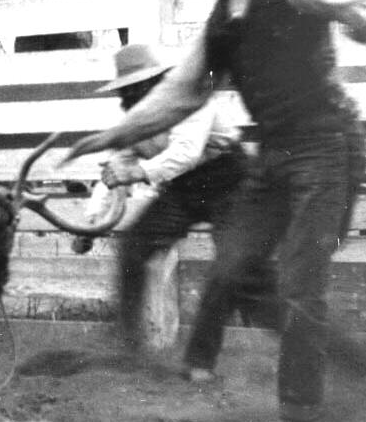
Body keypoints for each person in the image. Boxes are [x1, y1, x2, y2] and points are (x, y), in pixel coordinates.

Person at [66, 0, 366, 422]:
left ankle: (299, 416)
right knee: (232, 270)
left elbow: (360, 8)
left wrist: (360, 25)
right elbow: (180, 95)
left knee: (301, 280)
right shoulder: (219, 24)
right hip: (274, 154)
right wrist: (113, 136)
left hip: (326, 144)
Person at [91, 44, 254, 368]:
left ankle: (202, 362)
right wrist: (93, 222)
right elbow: (114, 168)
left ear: (158, 82)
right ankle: (129, 346)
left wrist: (138, 172)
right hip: (182, 188)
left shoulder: (190, 98)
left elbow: (186, 152)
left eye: (139, 86)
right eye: (127, 89)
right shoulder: (132, 121)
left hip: (228, 181)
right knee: (133, 246)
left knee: (235, 269)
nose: (133, 95)